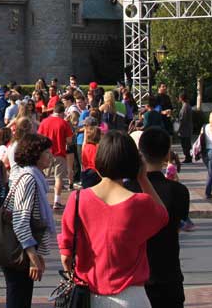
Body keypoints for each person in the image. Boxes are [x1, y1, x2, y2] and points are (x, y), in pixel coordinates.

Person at [58, 130, 168, 307]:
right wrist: (143, 179)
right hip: (132, 295)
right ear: (134, 163)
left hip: (90, 294)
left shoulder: (77, 199)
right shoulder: (140, 203)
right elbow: (163, 216)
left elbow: (66, 255)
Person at [126, 128, 189, 308]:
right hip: (168, 275)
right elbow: (178, 224)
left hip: (134, 276)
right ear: (167, 154)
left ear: (140, 152)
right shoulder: (179, 191)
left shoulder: (127, 189)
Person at [2, 133, 56, 308]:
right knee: (18, 299)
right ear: (35, 154)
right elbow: (20, 220)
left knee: (21, 298)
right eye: (47, 152)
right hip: (19, 251)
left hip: (23, 249)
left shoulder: (32, 177)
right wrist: (33, 257)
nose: (51, 156)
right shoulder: (29, 179)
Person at [37, 100, 73, 210]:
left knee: (43, 177)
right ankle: (56, 201)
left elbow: (39, 137)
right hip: (59, 153)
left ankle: (40, 200)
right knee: (58, 178)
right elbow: (69, 140)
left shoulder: (44, 122)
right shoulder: (64, 123)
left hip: (45, 153)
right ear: (62, 113)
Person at [176, 93, 194, 163]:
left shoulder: (185, 107)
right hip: (187, 127)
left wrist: (178, 128)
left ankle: (188, 156)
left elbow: (182, 119)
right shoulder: (187, 106)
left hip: (185, 128)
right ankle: (188, 156)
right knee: (186, 143)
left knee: (185, 143)